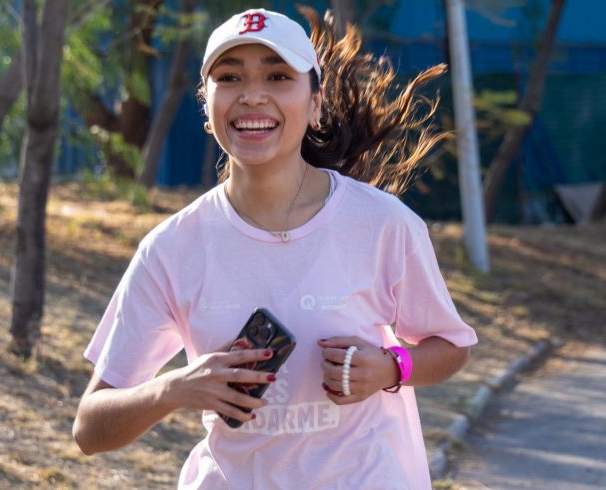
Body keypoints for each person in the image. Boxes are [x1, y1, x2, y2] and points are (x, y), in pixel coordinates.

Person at [72, 7, 477, 489]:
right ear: (208, 105)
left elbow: (451, 347)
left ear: (316, 103)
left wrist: (393, 366)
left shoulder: (383, 224)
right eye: (230, 77)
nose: (252, 96)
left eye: (278, 76)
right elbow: (90, 428)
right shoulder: (172, 248)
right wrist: (174, 388)